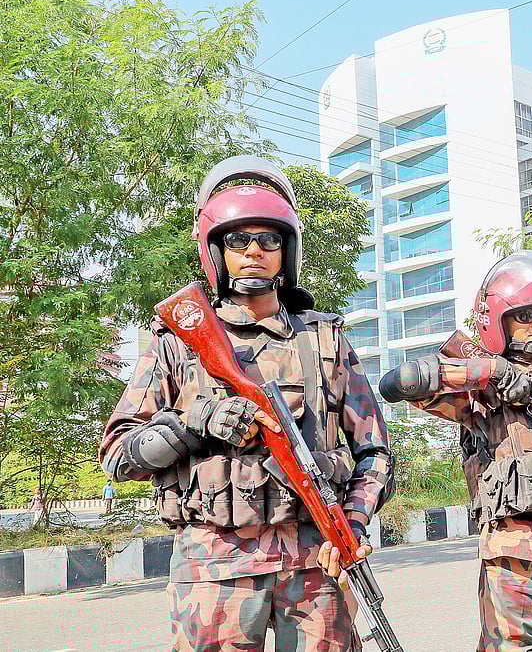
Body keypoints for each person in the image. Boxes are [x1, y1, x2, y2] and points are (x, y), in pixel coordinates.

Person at [99, 156, 394, 652]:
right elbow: (117, 456)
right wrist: (195, 423)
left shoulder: (324, 340)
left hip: (316, 564)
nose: (254, 251)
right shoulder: (179, 342)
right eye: (238, 240)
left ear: (287, 252)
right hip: (213, 567)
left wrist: (354, 524)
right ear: (215, 251)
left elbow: (375, 453)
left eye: (269, 240)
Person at [380, 250, 532, 652]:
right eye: (524, 315)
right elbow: (400, 382)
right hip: (518, 559)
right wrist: (493, 370)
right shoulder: (479, 391)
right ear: (498, 322)